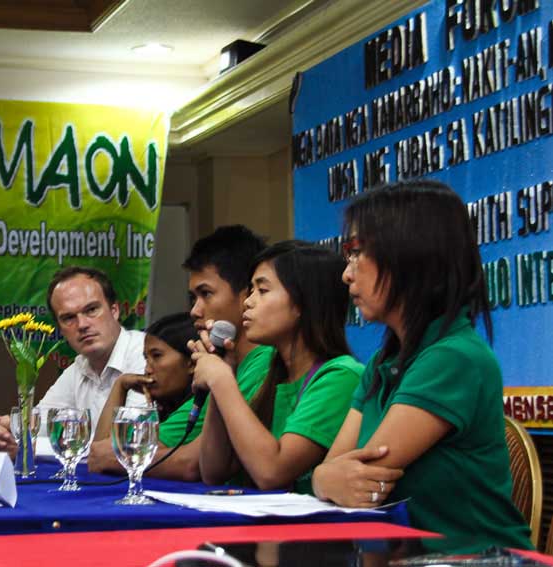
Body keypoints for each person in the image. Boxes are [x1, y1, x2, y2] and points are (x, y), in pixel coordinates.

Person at [311, 180, 532, 552]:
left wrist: (326, 477)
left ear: (409, 255)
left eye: (356, 253)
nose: (346, 274)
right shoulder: (385, 361)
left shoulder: (454, 357)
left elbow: (365, 478)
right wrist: (322, 477)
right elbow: (334, 472)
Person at [88, 225, 273, 480]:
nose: (195, 311)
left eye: (206, 294)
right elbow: (103, 452)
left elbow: (191, 464)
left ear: (247, 295)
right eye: (193, 298)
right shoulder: (224, 364)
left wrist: (123, 457)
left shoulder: (263, 362)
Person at [194, 242, 362, 492]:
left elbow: (272, 472)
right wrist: (223, 372)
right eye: (250, 291)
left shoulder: (341, 376)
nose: (247, 303)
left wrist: (221, 381)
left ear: (302, 303)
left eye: (262, 290)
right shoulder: (268, 373)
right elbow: (213, 470)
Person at [0, 266, 145, 458]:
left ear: (115, 310)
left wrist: (28, 446)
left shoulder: (145, 354)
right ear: (60, 330)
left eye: (91, 310)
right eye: (69, 318)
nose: (83, 325)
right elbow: (40, 423)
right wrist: (10, 431)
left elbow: (128, 441)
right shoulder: (79, 367)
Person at [88, 312, 200, 474]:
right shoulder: (169, 406)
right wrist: (121, 385)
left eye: (157, 356)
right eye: (146, 358)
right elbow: (98, 455)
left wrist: (120, 387)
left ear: (191, 362)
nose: (147, 369)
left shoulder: (197, 406)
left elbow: (104, 455)